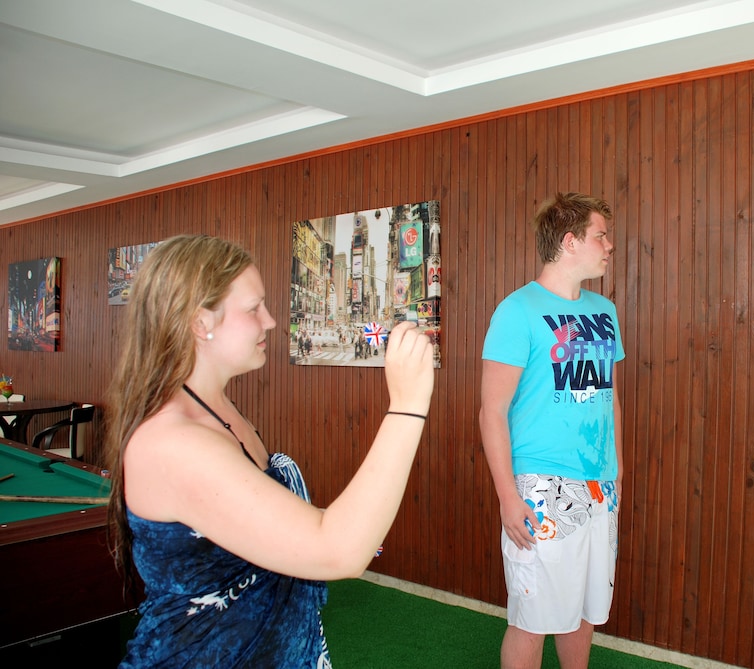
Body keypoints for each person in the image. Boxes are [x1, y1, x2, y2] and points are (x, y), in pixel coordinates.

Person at [104, 234, 434, 668]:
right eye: (253, 308)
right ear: (200, 322)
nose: (272, 321)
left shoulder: (217, 409)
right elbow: (337, 549)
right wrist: (408, 404)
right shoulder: (173, 442)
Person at [479, 192, 625, 669]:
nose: (609, 245)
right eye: (601, 235)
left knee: (584, 609)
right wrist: (508, 497)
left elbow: (609, 397)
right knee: (533, 617)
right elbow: (492, 411)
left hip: (600, 486)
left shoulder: (604, 312)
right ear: (569, 241)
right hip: (541, 486)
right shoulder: (517, 311)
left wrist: (617, 470)